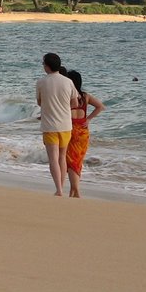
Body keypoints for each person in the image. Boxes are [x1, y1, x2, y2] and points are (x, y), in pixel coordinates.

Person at [36, 53, 79, 197]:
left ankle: (59, 190)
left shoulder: (41, 82)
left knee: (53, 158)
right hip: (66, 125)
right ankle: (61, 187)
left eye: (43, 63)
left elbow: (40, 102)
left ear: (47, 66)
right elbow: (75, 103)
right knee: (62, 157)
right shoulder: (68, 82)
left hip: (49, 126)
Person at [63, 70, 104, 198]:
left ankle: (76, 191)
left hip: (69, 129)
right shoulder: (85, 96)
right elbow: (101, 106)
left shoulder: (68, 96)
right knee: (77, 161)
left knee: (70, 161)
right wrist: (89, 119)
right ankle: (73, 190)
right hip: (83, 132)